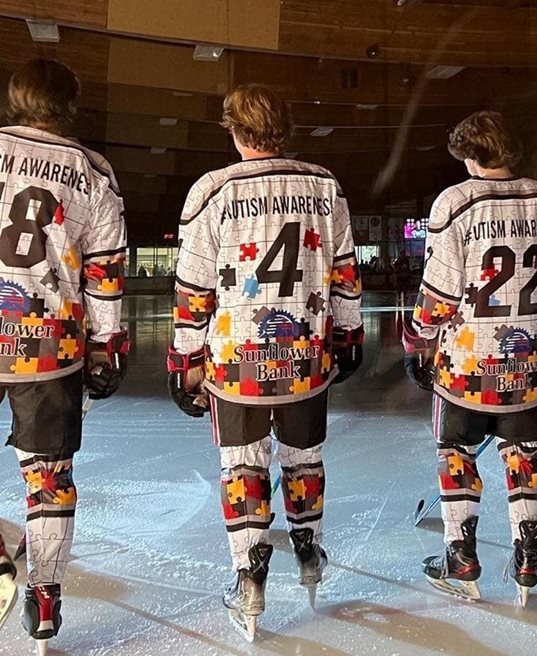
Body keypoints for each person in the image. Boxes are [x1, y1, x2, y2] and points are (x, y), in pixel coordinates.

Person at [168, 84, 363, 641]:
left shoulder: (212, 190)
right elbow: (345, 272)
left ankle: (250, 579)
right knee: (304, 461)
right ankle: (308, 552)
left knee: (243, 469)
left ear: (235, 129)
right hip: (304, 356)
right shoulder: (324, 187)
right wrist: (349, 334)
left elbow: (193, 289)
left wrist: (184, 359)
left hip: (236, 364)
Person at [402, 110, 537, 606]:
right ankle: (528, 559)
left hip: (466, 364)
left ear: (475, 156)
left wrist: (417, 339)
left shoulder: (456, 202)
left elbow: (438, 293)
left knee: (455, 453)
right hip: (526, 361)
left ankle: (462, 555)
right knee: (524, 458)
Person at [0, 59, 128, 651]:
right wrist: (105, 348)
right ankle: (44, 599)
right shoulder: (91, 170)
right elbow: (104, 274)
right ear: (68, 104)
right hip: (50, 340)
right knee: (49, 475)